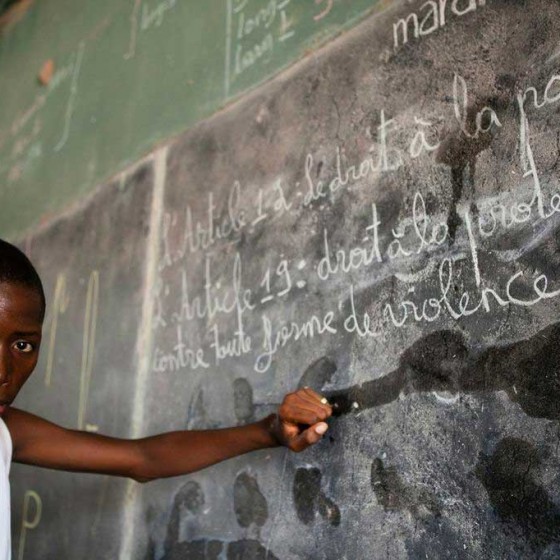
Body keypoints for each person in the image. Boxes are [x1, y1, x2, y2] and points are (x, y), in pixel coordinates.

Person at [0, 239, 333, 559]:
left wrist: (270, 431)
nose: (3, 371)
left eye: (23, 346)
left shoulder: (7, 433)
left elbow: (143, 458)